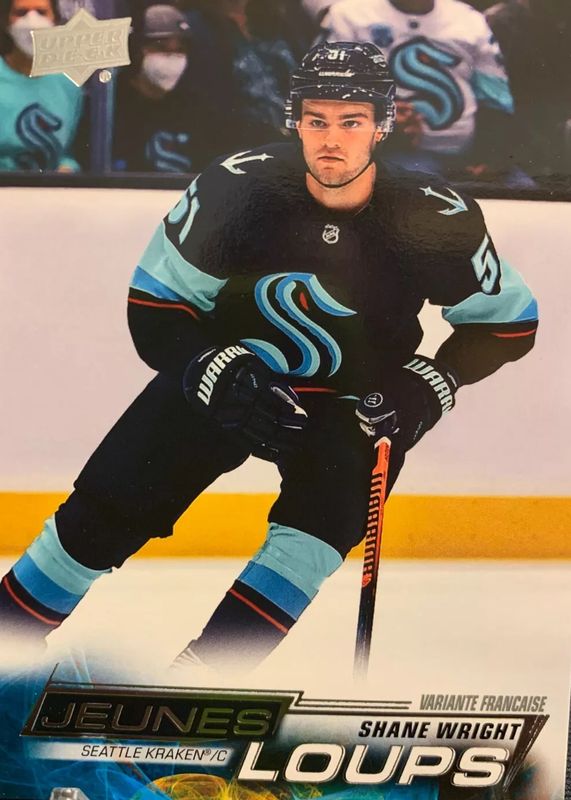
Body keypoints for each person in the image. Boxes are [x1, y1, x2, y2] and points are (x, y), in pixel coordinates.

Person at [0, 42, 538, 676]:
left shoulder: (433, 214)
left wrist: (431, 381)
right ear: (295, 121)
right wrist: (209, 366)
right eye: (316, 120)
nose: (330, 140)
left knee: (310, 542)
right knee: (102, 513)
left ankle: (197, 688)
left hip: (350, 408)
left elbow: (508, 325)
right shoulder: (237, 188)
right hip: (227, 380)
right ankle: (6, 644)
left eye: (351, 121)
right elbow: (154, 307)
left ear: (382, 124)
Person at [316, 0, 528, 186]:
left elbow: (495, 98)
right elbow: (321, 94)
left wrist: (491, 156)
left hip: (467, 158)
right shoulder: (347, 16)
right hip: (390, 155)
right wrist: (379, 118)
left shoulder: (470, 20)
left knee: (525, 191)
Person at [113, 4, 235, 173]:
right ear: (136, 51)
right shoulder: (112, 106)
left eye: (180, 50)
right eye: (161, 47)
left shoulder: (195, 109)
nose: (172, 58)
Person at [0, 0, 83, 172]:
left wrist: (67, 170)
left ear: (55, 21)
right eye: (21, 13)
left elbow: (67, 154)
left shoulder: (68, 84)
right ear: (6, 21)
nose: (32, 21)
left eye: (41, 12)